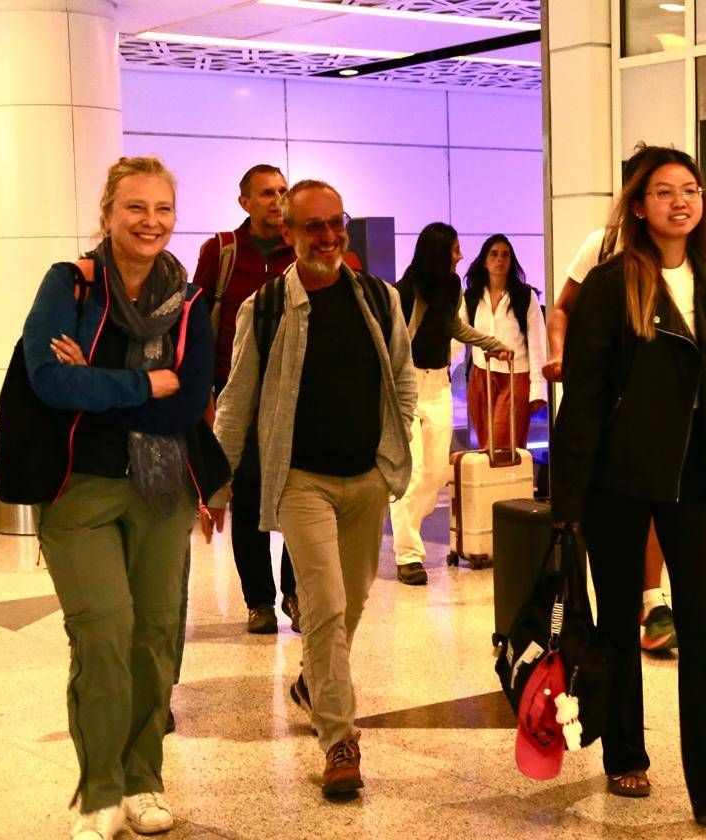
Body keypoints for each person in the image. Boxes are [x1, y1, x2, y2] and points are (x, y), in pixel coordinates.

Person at [551, 144, 706, 825]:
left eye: (690, 189)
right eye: (664, 191)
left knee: (703, 628)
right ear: (638, 206)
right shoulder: (612, 285)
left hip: (695, 477)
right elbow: (585, 397)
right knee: (619, 619)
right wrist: (566, 504)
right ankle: (625, 752)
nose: (681, 201)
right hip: (619, 478)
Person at [23, 156, 216, 839]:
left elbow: (187, 404)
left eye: (162, 208)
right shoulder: (70, 285)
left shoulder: (189, 302)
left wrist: (98, 383)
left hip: (162, 492)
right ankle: (100, 791)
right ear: (107, 213)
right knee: (103, 634)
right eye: (135, 207)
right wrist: (143, 384)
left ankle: (142, 778)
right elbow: (49, 380)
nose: (150, 221)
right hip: (79, 490)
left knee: (155, 636)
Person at [209, 179, 417, 798]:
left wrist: (390, 453)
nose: (328, 237)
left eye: (335, 223)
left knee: (349, 605)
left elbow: (403, 379)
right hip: (301, 481)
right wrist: (215, 485)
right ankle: (339, 739)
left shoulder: (378, 298)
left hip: (367, 478)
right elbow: (236, 402)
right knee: (322, 604)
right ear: (289, 233)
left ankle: (311, 683)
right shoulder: (265, 308)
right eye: (313, 227)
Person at [546, 225, 676, 653]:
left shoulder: (683, 255)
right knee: (607, 511)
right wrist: (560, 353)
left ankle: (653, 599)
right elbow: (562, 309)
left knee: (653, 498)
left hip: (654, 405)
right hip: (602, 404)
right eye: (659, 194)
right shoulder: (601, 245)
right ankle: (608, 614)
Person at [192, 163, 299, 636]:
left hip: (294, 393)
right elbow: (198, 324)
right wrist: (204, 396)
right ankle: (259, 601)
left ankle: (295, 593)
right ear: (245, 202)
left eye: (282, 191)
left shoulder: (298, 249)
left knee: (300, 494)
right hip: (237, 393)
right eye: (267, 193)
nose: (277, 200)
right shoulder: (222, 251)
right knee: (249, 497)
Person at [390, 222, 511, 586]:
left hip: (438, 383)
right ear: (438, 253)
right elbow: (393, 342)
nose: (460, 255)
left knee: (435, 473)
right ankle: (408, 555)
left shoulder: (452, 285)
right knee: (412, 471)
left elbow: (455, 328)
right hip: (406, 385)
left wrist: (491, 344)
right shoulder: (405, 291)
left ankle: (407, 523)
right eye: (455, 250)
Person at [461, 234, 546, 450]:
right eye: (494, 254)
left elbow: (537, 344)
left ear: (511, 261)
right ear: (484, 261)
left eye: (505, 255)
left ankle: (509, 472)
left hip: (515, 376)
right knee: (487, 446)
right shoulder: (471, 297)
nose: (500, 259)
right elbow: (458, 334)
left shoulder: (524, 296)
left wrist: (538, 389)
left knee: (502, 446)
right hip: (481, 376)